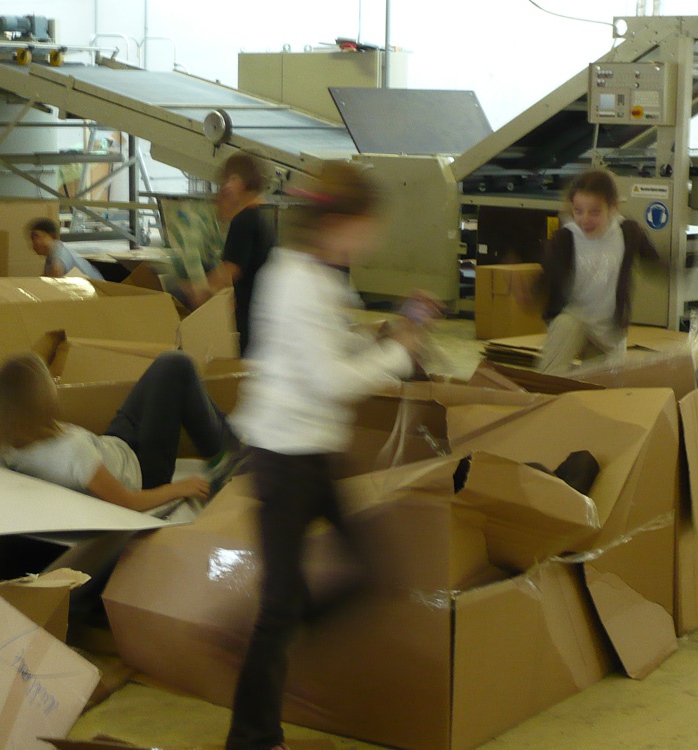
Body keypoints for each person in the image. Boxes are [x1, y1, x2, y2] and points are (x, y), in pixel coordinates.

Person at [224, 162, 437, 750]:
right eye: (369, 227)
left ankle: (282, 635)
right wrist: (398, 356)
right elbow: (328, 380)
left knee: (367, 572)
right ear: (341, 223)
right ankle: (251, 736)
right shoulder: (293, 280)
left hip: (312, 454)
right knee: (281, 604)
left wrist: (389, 333)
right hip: (282, 456)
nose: (372, 240)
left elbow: (334, 347)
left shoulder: (320, 277)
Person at [0, 350, 239, 512]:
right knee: (177, 366)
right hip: (143, 474)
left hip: (113, 447)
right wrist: (180, 488)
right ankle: (229, 450)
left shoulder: (7, 448)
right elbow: (128, 501)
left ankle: (228, 438)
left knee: (168, 371)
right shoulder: (72, 452)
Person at [525, 168, 659, 375]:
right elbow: (548, 275)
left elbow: (656, 263)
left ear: (612, 208)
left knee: (601, 385)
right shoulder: (565, 237)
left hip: (608, 333)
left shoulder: (628, 232)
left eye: (595, 212)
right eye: (578, 211)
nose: (585, 219)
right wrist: (531, 294)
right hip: (573, 320)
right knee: (564, 329)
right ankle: (548, 387)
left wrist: (691, 269)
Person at [186, 152, 276, 354]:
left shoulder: (244, 221)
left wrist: (200, 291)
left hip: (249, 318)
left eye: (226, 181)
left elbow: (229, 271)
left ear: (237, 181)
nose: (223, 189)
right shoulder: (262, 216)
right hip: (264, 315)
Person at [28, 217, 105, 280]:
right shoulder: (52, 255)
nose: (34, 241)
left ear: (51, 235)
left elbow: (54, 280)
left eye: (36, 236)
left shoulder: (59, 254)